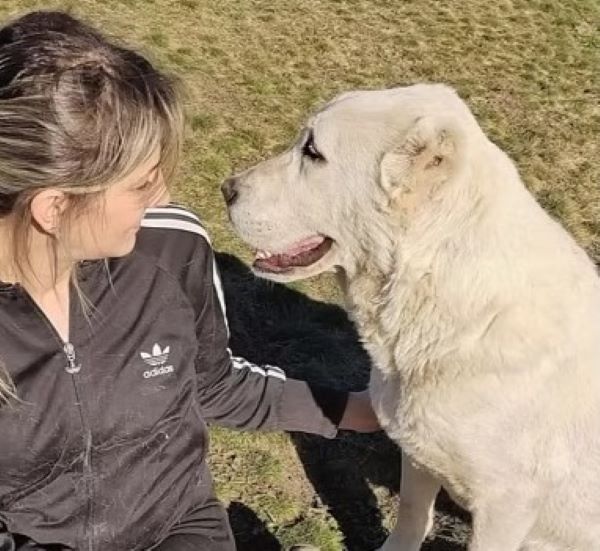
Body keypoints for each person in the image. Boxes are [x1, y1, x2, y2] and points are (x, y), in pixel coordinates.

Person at [0, 10, 380, 551]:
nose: (160, 201)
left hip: (184, 527)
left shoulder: (169, 247)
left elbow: (211, 381)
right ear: (53, 207)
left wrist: (350, 409)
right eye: (141, 185)